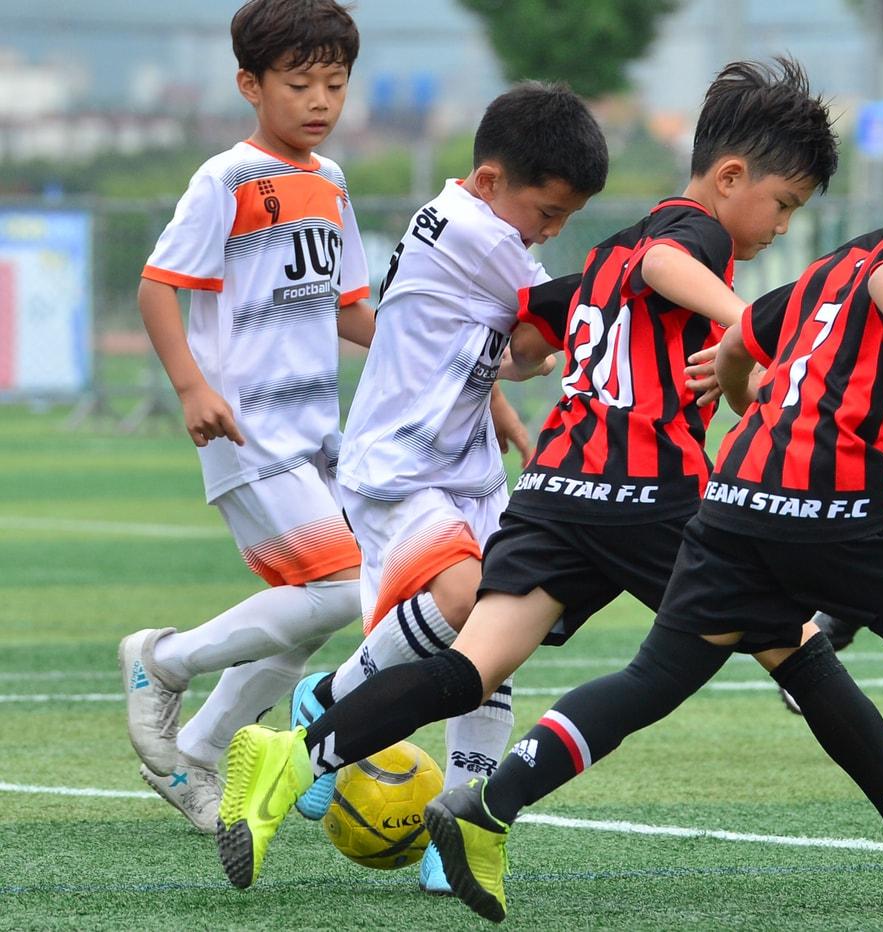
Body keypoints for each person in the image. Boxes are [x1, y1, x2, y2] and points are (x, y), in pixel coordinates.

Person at [214, 59, 883, 901]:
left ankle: (294, 756)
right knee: (798, 648)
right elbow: (669, 260)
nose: (780, 224)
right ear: (730, 178)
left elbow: (526, 336)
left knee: (468, 671)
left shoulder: (606, 256)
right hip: (649, 495)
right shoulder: (692, 233)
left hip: (556, 490)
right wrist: (749, 326)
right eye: (783, 203)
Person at [428, 86, 883, 926]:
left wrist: (738, 382)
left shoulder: (851, 254)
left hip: (735, 501)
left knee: (655, 677)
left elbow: (755, 328)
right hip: (836, 506)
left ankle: (488, 808)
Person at [282, 80, 608, 894]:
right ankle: (328, 700)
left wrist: (503, 405)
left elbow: (482, 337)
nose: (550, 234)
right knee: (469, 600)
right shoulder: (473, 228)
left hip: (464, 466)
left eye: (564, 223)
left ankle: (455, 821)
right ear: (493, 182)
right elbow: (561, 308)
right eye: (546, 215)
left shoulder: (476, 224)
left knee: (502, 638)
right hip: (399, 466)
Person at [117, 0, 372, 834]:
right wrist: (192, 387)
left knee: (313, 615)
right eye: (299, 83)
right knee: (347, 590)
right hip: (248, 429)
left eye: (334, 83)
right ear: (250, 86)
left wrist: (463, 348)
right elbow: (159, 287)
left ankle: (199, 746)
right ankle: (163, 659)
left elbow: (351, 310)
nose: (320, 101)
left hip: (318, 435)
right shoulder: (225, 179)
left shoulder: (330, 183)